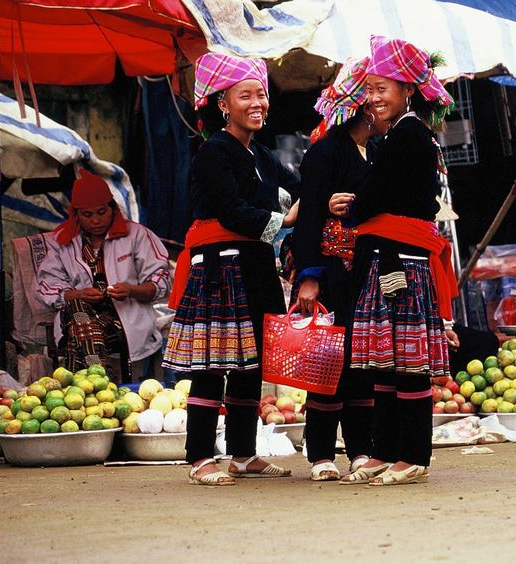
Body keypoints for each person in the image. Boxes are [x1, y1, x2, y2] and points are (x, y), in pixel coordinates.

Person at [163, 52, 299, 486]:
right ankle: (200, 457)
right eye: (246, 95)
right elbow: (232, 210)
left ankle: (243, 454)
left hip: (255, 264)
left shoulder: (260, 153)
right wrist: (288, 219)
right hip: (220, 268)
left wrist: (320, 194)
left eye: (262, 93)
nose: (258, 102)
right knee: (212, 364)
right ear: (223, 102)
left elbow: (292, 189)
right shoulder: (213, 152)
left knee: (251, 363)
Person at [337, 35, 458, 486]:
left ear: (407, 89)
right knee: (385, 361)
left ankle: (414, 456)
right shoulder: (400, 136)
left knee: (406, 362)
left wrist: (350, 206)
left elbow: (373, 199)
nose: (372, 98)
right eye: (368, 90)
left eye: (381, 88)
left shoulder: (408, 135)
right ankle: (386, 450)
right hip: (388, 257)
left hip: (400, 263)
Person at [292, 57, 388, 481]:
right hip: (331, 271)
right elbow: (309, 217)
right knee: (328, 362)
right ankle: (320, 455)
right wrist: (309, 277)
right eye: (373, 98)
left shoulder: (381, 151)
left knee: (363, 362)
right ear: (360, 105)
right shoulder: (324, 152)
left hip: (368, 273)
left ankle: (361, 451)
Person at [37, 171, 171, 377]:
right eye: (87, 215)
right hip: (77, 315)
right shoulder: (61, 241)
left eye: (101, 212)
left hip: (124, 318)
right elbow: (46, 285)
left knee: (79, 333)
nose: (96, 220)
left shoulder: (137, 235)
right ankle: (99, 375)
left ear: (112, 208)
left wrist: (131, 290)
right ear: (76, 214)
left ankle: (93, 379)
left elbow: (161, 280)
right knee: (77, 306)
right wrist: (78, 294)